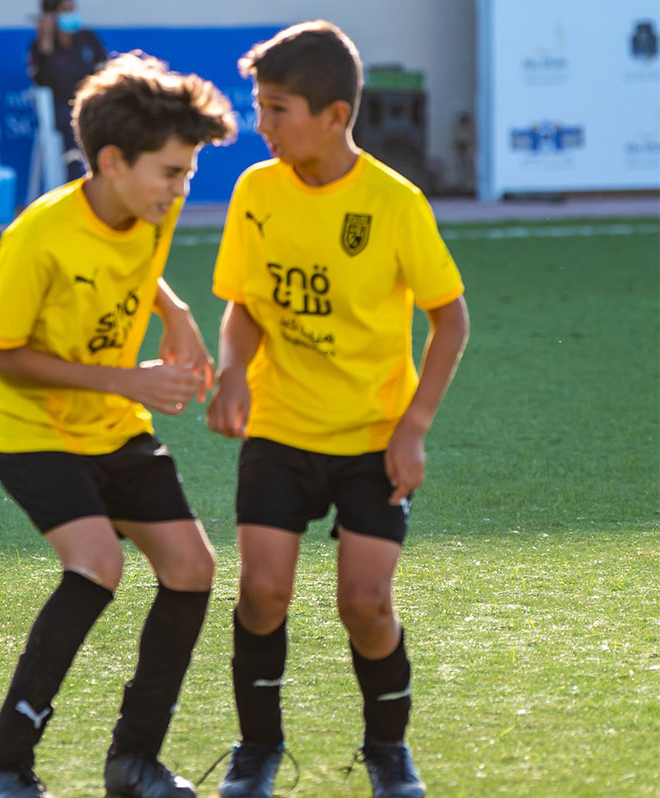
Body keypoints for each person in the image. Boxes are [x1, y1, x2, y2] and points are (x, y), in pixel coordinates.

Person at [206, 21, 469, 798]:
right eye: (259, 106)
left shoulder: (394, 203)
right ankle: (259, 748)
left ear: (335, 116)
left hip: (372, 441)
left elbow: (450, 318)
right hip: (280, 428)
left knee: (366, 604)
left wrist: (413, 427)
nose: (261, 124)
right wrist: (233, 372)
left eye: (276, 109)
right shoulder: (256, 192)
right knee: (261, 595)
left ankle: (388, 751)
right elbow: (244, 305)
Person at [0, 53, 236, 798]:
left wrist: (175, 313)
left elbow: (137, 263)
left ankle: (134, 761)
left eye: (188, 173)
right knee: (98, 564)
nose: (181, 189)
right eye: (171, 172)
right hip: (29, 428)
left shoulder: (152, 204)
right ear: (113, 161)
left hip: (113, 422)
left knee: (192, 568)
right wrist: (131, 379)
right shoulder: (39, 236)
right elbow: (7, 359)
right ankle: (4, 770)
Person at [28, 0, 106, 182]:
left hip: (93, 103)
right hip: (63, 109)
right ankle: (78, 181)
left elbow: (103, 70)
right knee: (73, 124)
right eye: (65, 10)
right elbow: (42, 82)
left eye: (73, 9)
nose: (71, 14)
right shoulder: (41, 47)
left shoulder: (88, 39)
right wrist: (46, 42)